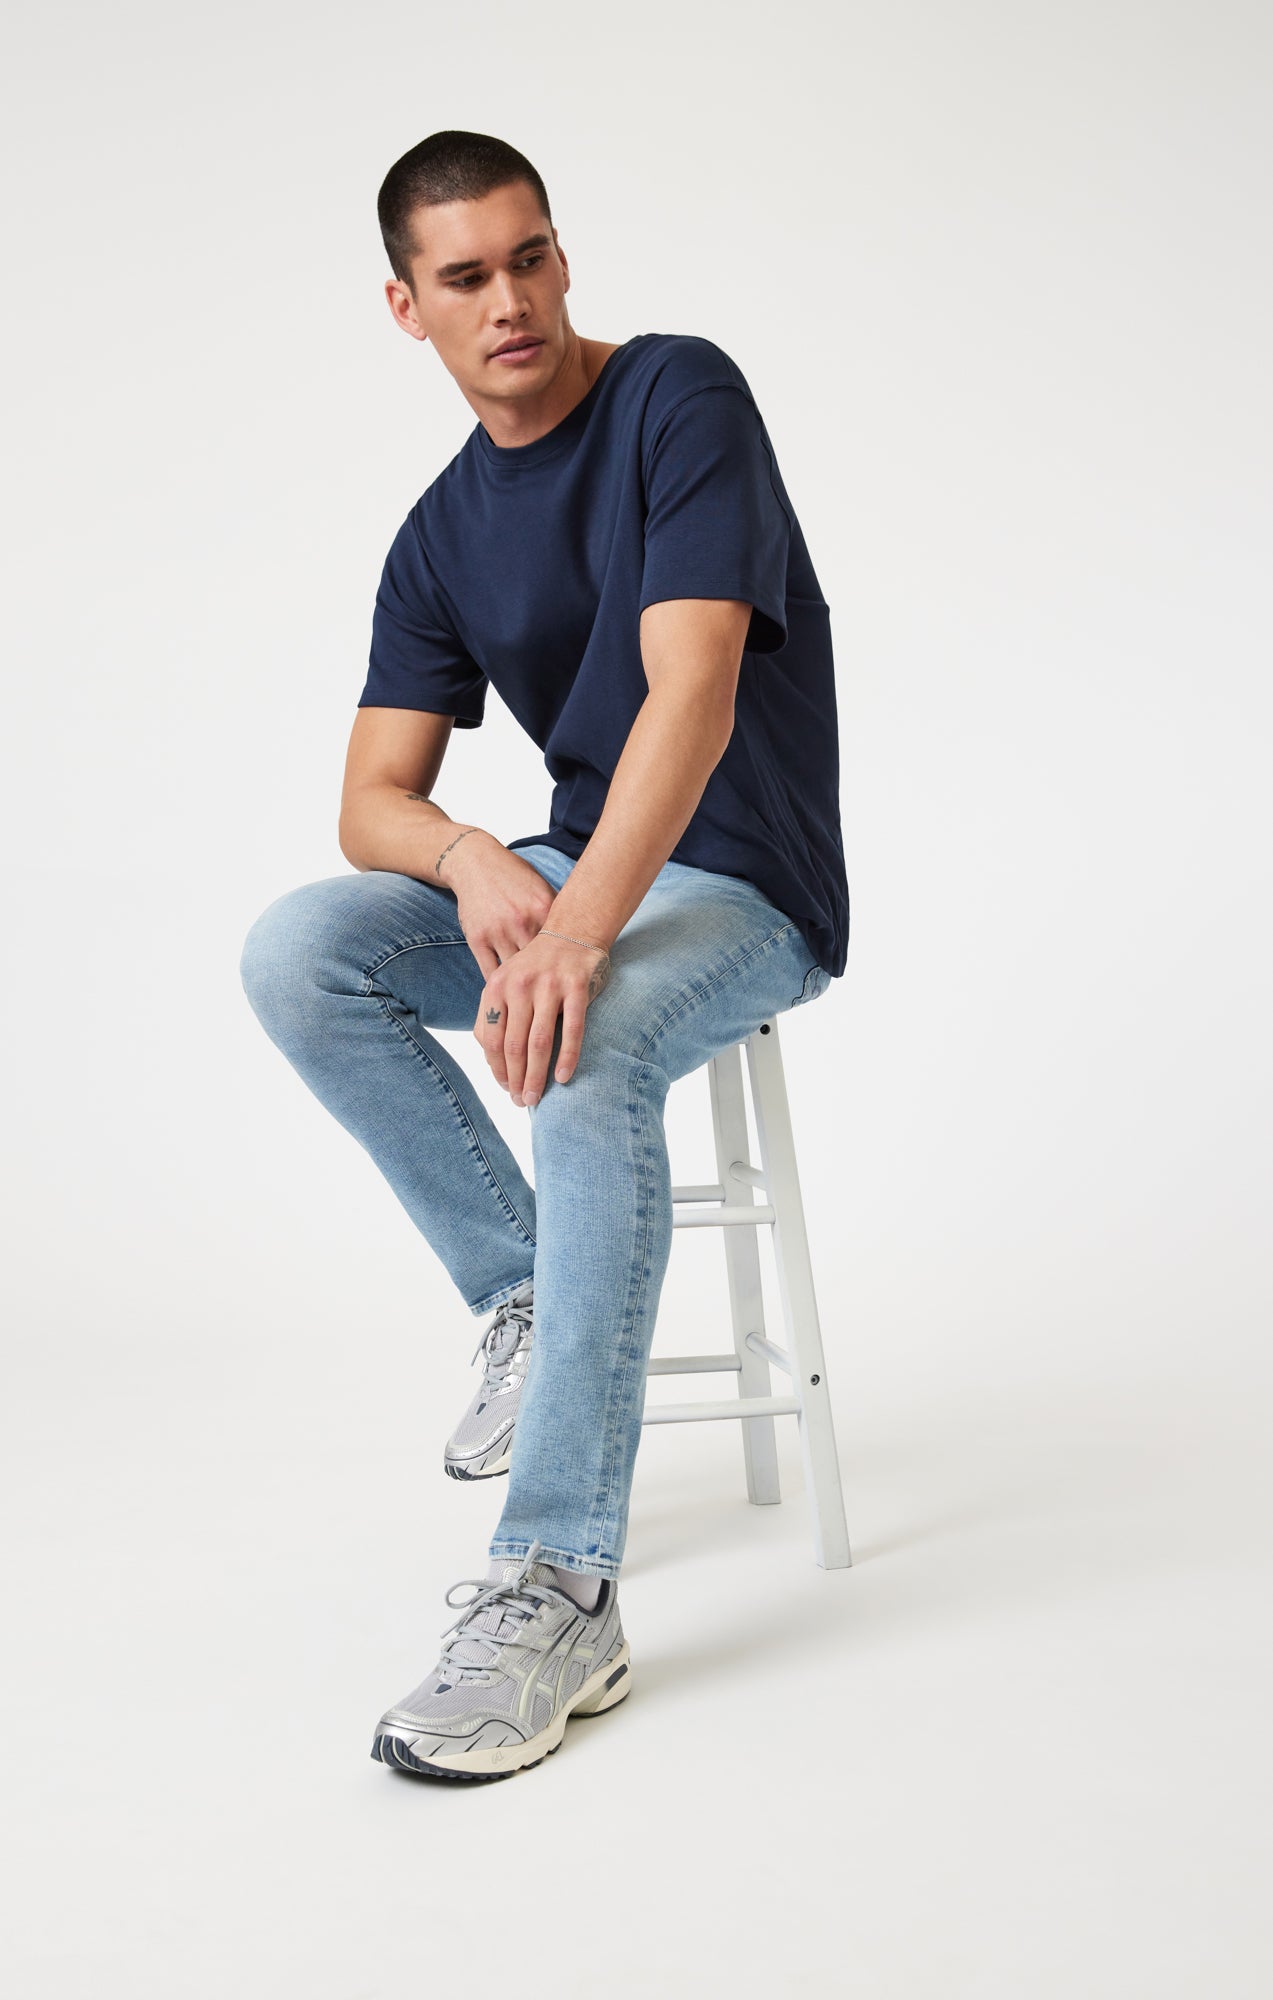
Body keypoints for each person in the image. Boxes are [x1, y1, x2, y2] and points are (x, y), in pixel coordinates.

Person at [239, 129, 849, 1784]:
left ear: (561, 259)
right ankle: (525, 1292)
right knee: (304, 952)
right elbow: (370, 801)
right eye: (464, 277)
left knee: (581, 1049)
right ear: (406, 307)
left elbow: (693, 695)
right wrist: (473, 857)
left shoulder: (675, 397)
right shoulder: (439, 533)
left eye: (528, 259)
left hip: (743, 879)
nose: (506, 301)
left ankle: (560, 1585)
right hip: (579, 867)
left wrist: (575, 934)